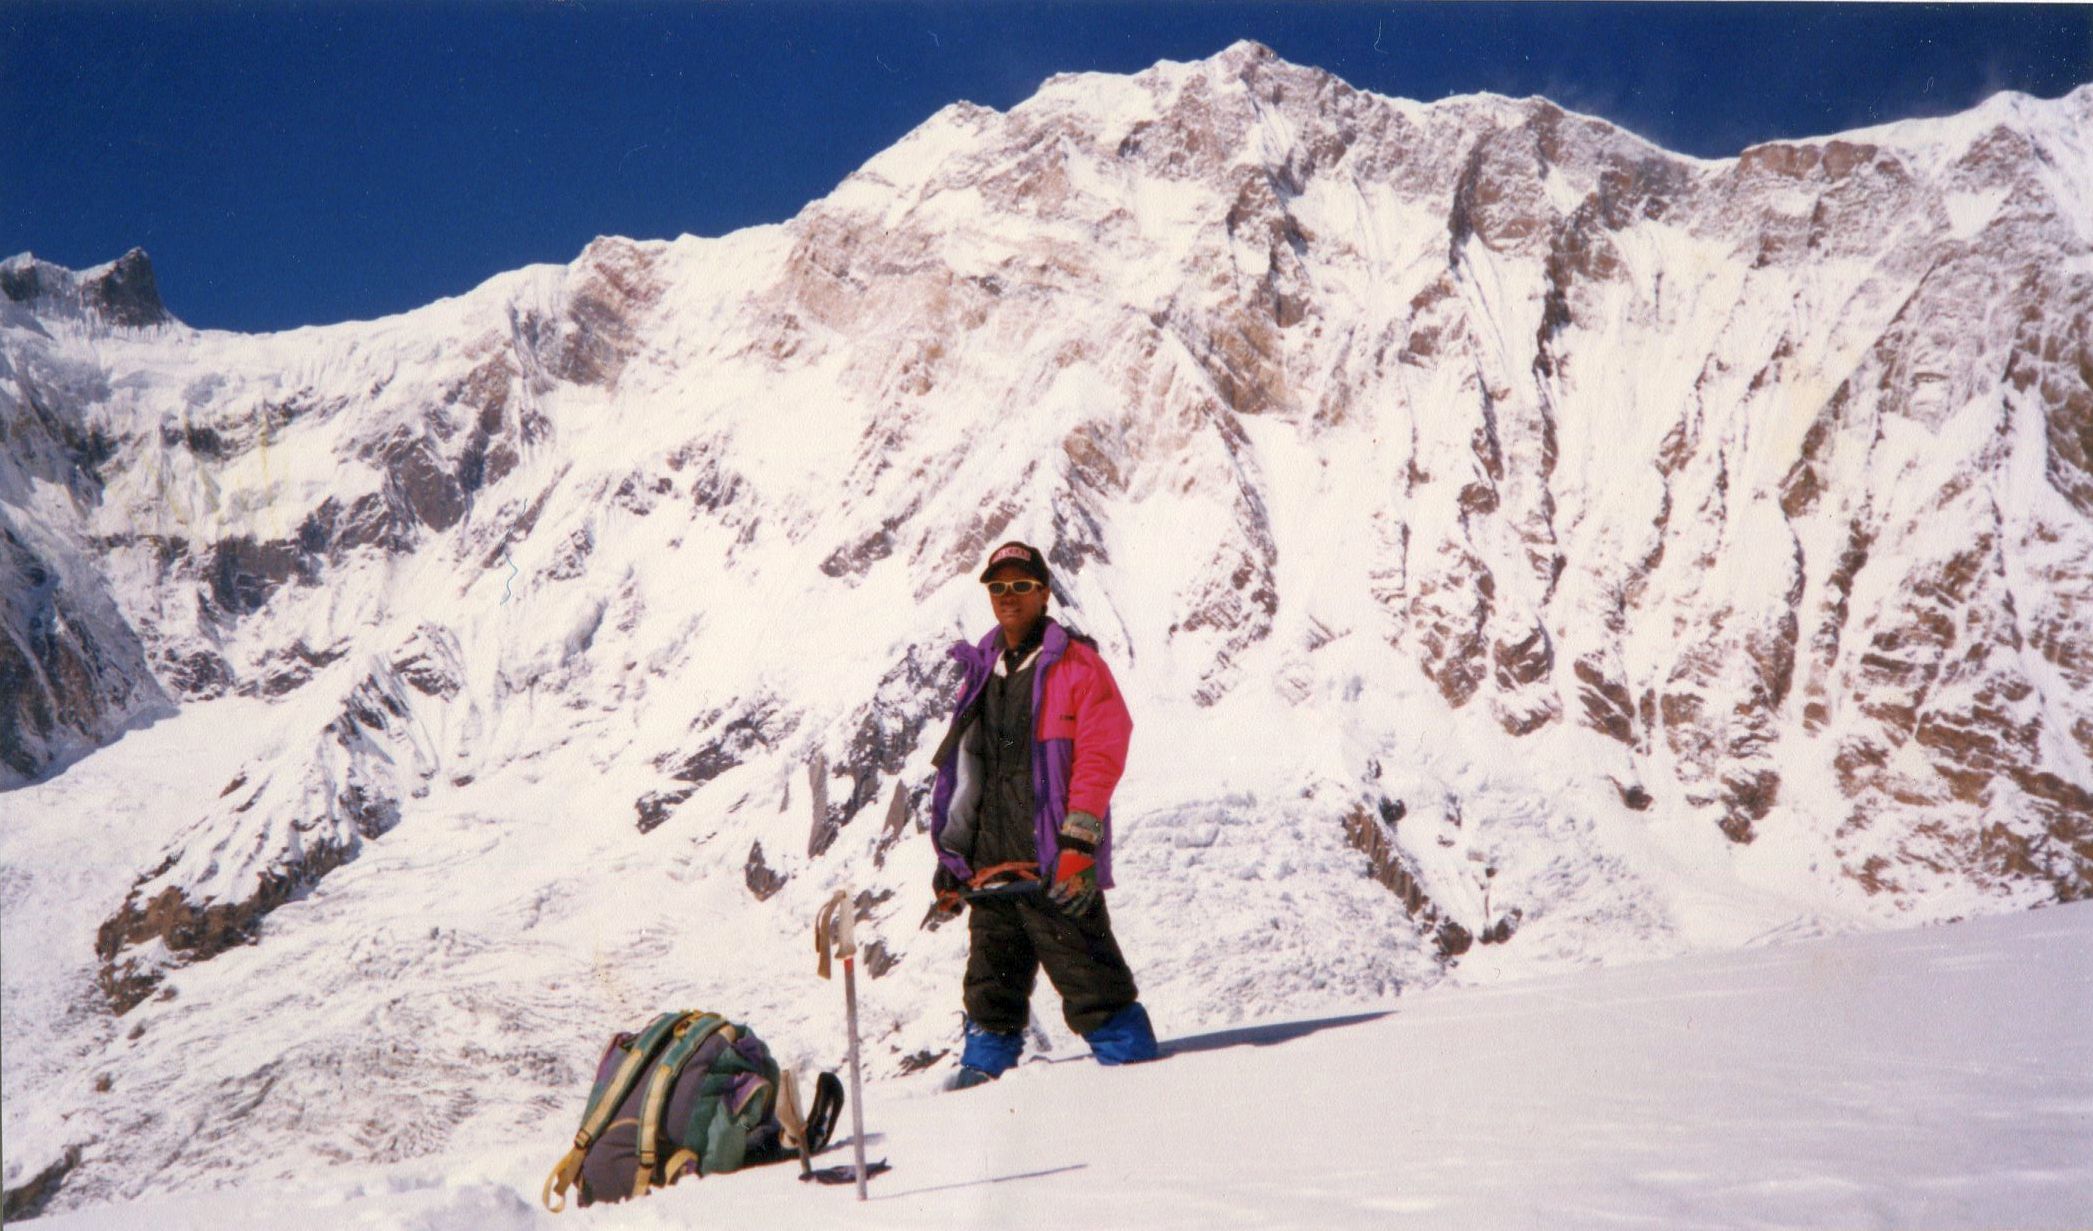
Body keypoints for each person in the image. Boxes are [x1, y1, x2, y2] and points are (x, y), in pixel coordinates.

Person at [927, 540, 1159, 1088]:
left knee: (1093, 983)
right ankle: (980, 1092)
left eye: (1021, 586)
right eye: (998, 587)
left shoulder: (1077, 666)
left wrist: (1079, 841)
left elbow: (1102, 753)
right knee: (990, 991)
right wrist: (953, 861)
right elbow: (965, 769)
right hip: (991, 868)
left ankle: (1142, 1091)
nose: (1009, 597)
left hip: (1055, 862)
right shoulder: (982, 669)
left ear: (1044, 593)